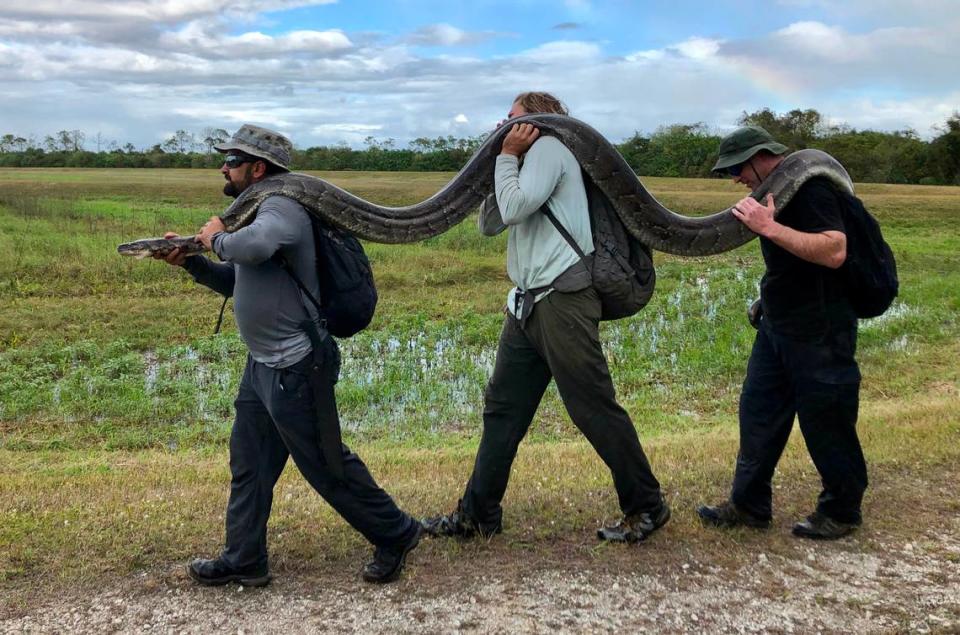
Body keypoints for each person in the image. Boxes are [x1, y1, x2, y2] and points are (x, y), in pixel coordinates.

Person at [155, 124, 421, 585]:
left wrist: (212, 238)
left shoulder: (282, 205)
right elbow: (239, 280)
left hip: (298, 364)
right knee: (251, 463)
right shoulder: (259, 208)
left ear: (258, 168)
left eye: (232, 160)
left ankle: (396, 533)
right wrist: (195, 263)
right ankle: (244, 559)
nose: (224, 167)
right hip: (262, 364)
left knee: (324, 463)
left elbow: (254, 247)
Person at [422, 92, 670, 543]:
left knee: (591, 406)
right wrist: (504, 161)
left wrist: (510, 155)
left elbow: (516, 207)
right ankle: (478, 514)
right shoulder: (522, 158)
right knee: (502, 411)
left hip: (563, 297)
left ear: (539, 120)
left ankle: (646, 505)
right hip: (528, 301)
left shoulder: (552, 150)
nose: (505, 124)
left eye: (514, 119)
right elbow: (492, 222)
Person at [697, 125, 867, 539]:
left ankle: (841, 512)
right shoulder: (775, 195)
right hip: (779, 322)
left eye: (737, 169)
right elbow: (790, 263)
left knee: (826, 419)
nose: (735, 179)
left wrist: (767, 227)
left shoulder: (813, 191)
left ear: (759, 157)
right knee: (758, 412)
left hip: (821, 325)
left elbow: (834, 250)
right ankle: (749, 506)